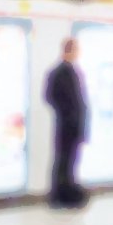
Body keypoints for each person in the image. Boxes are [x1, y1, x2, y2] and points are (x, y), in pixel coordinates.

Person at [44, 38, 89, 209]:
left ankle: (68, 192)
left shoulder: (74, 71)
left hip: (75, 125)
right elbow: (50, 96)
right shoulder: (58, 72)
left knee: (71, 160)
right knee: (62, 159)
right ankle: (58, 195)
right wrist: (66, 112)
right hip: (65, 125)